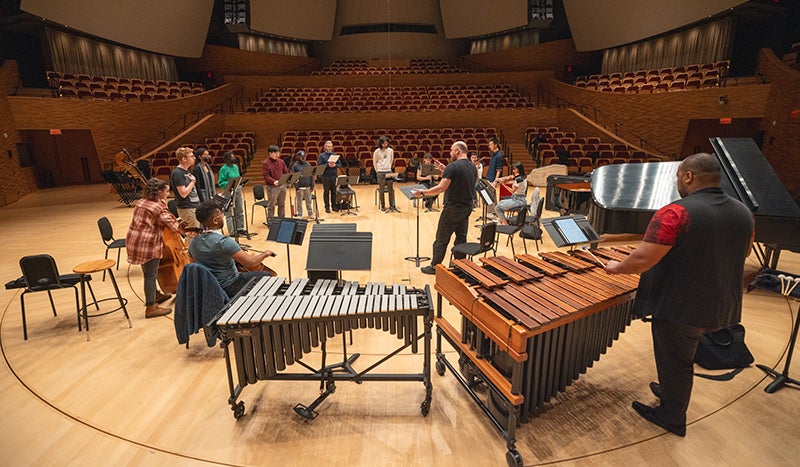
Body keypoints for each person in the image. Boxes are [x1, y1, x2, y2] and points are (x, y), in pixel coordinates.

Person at [605, 153, 754, 437]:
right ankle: (671, 390)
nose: (677, 183)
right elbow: (744, 252)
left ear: (688, 176)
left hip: (681, 307)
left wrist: (616, 267)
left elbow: (643, 260)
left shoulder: (676, 212)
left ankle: (671, 416)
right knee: (680, 357)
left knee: (678, 360)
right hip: (724, 305)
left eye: (678, 177)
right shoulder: (743, 212)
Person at [188, 200, 277, 298]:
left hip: (210, 287)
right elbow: (250, 262)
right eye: (221, 215)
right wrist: (266, 253)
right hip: (229, 286)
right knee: (266, 275)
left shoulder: (193, 243)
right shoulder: (223, 242)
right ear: (215, 221)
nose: (223, 216)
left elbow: (193, 267)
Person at [414, 141, 478, 275]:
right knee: (461, 237)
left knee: (441, 239)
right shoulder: (472, 167)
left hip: (452, 208)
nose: (450, 153)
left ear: (457, 151)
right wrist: (445, 169)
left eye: (451, 150)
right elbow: (460, 179)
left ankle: (434, 266)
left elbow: (441, 188)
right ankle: (460, 265)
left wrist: (423, 193)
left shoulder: (453, 166)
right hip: (467, 208)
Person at [125, 177, 185, 318]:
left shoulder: (142, 202)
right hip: (147, 243)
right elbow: (175, 227)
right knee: (150, 275)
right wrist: (186, 229)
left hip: (135, 240)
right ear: (158, 192)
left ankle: (156, 294)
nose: (167, 194)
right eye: (166, 192)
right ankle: (150, 307)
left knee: (149, 272)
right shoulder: (157, 208)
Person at [170, 146, 201, 231]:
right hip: (187, 209)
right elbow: (183, 193)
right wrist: (192, 182)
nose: (194, 158)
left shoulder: (186, 171)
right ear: (184, 159)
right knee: (192, 235)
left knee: (195, 233)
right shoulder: (178, 173)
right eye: (191, 156)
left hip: (192, 207)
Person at [217, 151, 245, 235]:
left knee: (239, 209)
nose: (233, 158)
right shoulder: (223, 169)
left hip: (237, 189)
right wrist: (230, 183)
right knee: (229, 211)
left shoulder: (236, 167)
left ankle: (240, 228)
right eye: (231, 157)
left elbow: (238, 177)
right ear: (227, 159)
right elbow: (221, 182)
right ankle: (232, 231)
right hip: (229, 191)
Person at [261, 144, 289, 224]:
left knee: (281, 204)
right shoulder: (265, 163)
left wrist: (288, 178)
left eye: (278, 153)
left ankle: (282, 220)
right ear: (270, 153)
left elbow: (286, 171)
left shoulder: (281, 161)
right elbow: (265, 176)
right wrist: (273, 181)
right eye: (275, 153)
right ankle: (270, 222)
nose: (277, 155)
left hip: (282, 185)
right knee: (271, 206)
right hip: (272, 187)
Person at [373, 135, 399, 213]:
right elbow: (375, 162)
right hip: (380, 172)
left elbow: (391, 160)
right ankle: (383, 206)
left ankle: (392, 205)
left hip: (388, 171)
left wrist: (388, 168)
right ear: (380, 143)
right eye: (384, 143)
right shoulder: (377, 151)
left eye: (386, 143)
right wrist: (378, 171)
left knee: (391, 189)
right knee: (382, 190)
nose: (385, 145)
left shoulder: (391, 150)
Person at [318, 140, 342, 213]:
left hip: (334, 175)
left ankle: (334, 206)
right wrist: (327, 165)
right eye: (328, 146)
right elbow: (319, 166)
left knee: (334, 192)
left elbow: (340, 165)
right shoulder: (322, 156)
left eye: (331, 146)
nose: (330, 148)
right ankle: (327, 207)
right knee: (326, 192)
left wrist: (335, 165)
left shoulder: (334, 155)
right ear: (325, 147)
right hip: (325, 176)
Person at [291, 150, 314, 217]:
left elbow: (311, 175)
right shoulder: (295, 166)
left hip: (308, 186)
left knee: (309, 201)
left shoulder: (308, 164)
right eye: (302, 157)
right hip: (300, 187)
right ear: (298, 157)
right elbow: (294, 177)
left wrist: (312, 186)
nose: (303, 158)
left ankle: (310, 213)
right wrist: (297, 187)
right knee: (299, 202)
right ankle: (300, 214)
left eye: (304, 157)